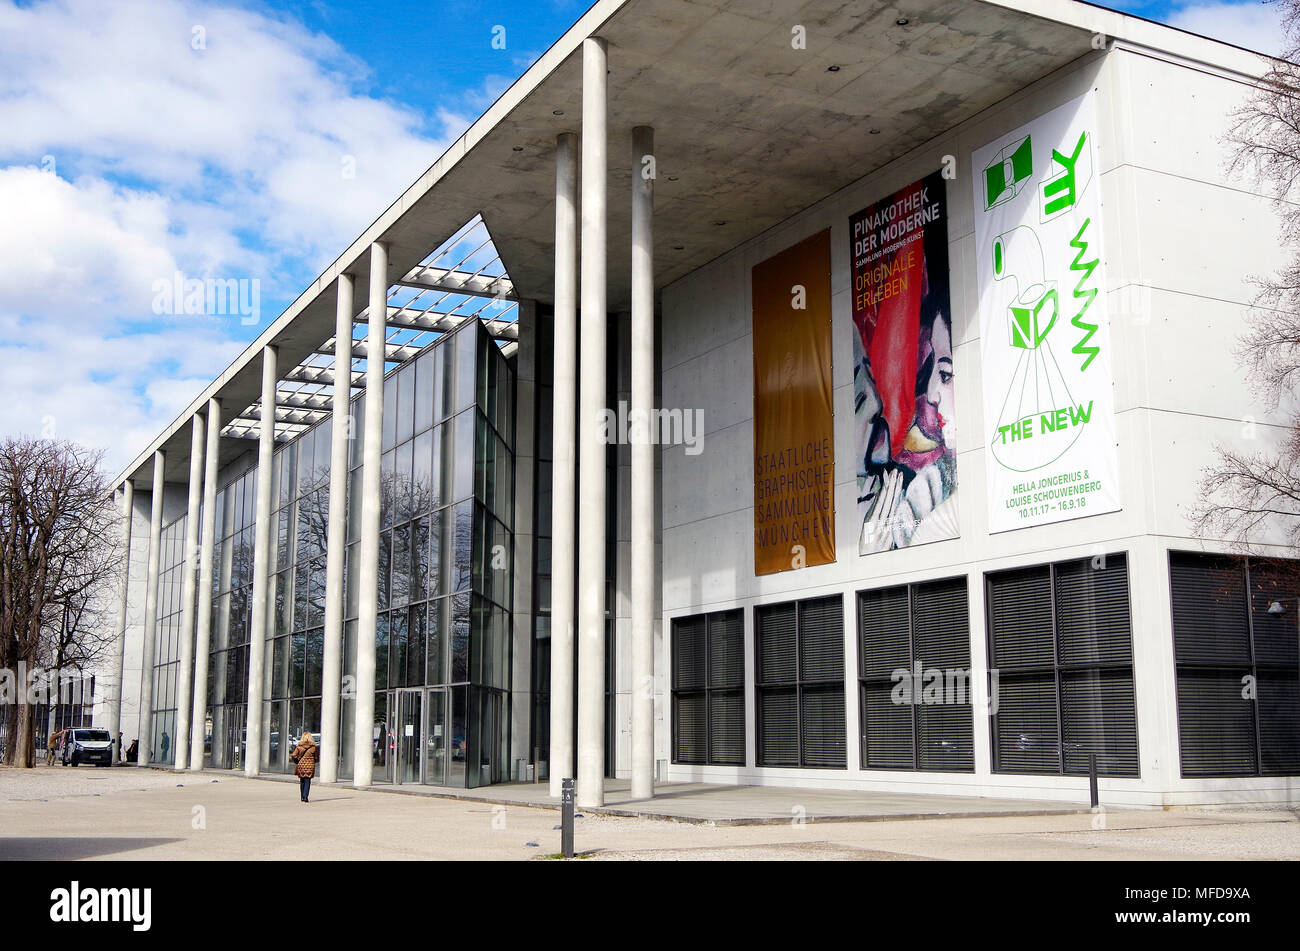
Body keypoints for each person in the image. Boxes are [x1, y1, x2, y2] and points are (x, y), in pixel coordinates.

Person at [291, 731, 319, 803]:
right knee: (307, 781)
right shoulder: (313, 748)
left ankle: (302, 796)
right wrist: (313, 761)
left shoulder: (299, 747)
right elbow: (316, 757)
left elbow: (293, 755)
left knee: (302, 781)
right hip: (310, 766)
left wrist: (297, 761)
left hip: (301, 766)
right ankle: (305, 796)